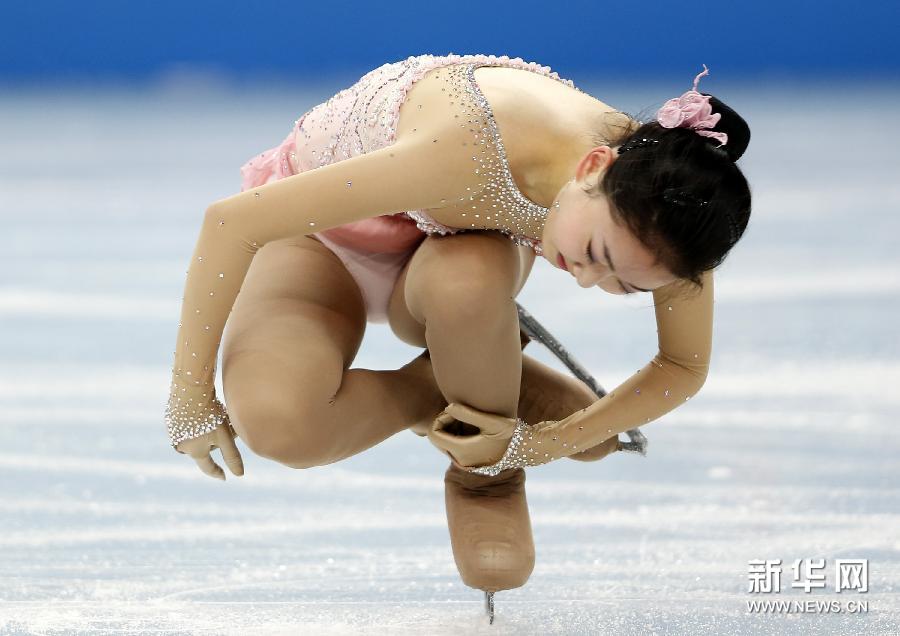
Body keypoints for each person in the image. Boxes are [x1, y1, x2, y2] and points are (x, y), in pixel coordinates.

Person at [164, 52, 752, 612]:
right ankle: (455, 384)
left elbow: (682, 365)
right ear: (592, 167)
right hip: (324, 238)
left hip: (451, 257)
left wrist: (547, 442)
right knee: (281, 425)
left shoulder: (670, 213)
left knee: (467, 286)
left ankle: (483, 473)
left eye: (623, 285)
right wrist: (190, 395)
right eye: (595, 253)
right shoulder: (468, 148)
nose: (588, 280)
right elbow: (229, 223)